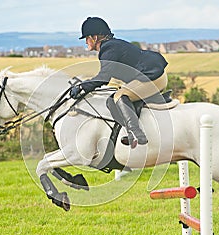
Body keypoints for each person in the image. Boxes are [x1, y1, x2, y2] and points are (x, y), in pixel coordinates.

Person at [70, 17, 169, 148]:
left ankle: (136, 134)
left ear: (95, 37)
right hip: (150, 75)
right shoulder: (112, 46)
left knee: (119, 97)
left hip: (153, 77)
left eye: (87, 38)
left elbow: (104, 77)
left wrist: (82, 87)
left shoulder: (109, 49)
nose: (86, 42)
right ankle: (130, 131)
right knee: (111, 100)